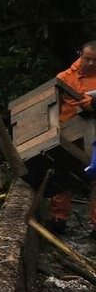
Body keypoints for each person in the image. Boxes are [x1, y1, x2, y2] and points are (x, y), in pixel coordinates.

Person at [47, 41, 96, 234]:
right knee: (63, 176)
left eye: (95, 60)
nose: (91, 63)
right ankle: (59, 218)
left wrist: (92, 106)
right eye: (87, 59)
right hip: (68, 135)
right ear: (80, 56)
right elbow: (51, 106)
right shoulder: (64, 77)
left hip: (94, 137)